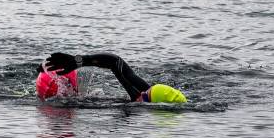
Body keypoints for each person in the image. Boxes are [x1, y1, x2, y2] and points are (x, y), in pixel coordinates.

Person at [37, 51, 187, 103]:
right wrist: (79, 61)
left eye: (146, 96)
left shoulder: (138, 113)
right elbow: (115, 62)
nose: (141, 94)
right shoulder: (142, 96)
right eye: (147, 91)